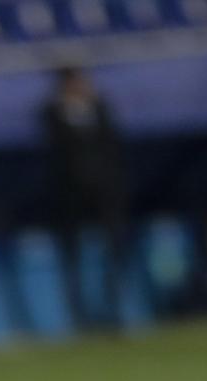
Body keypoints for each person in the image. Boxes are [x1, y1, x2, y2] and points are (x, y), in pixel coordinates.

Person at [38, 66, 128, 327]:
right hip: (70, 197)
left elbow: (113, 149)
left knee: (113, 251)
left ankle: (114, 312)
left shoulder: (100, 109)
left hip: (105, 194)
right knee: (74, 257)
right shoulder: (51, 113)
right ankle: (80, 317)